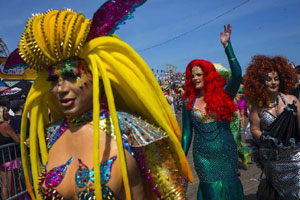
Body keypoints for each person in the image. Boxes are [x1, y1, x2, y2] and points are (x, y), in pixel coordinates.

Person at [13, 0, 192, 199]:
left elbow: (174, 195)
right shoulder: (48, 137)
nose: (61, 89)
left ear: (96, 76)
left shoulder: (135, 133)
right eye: (54, 80)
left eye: (72, 76)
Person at [181, 24, 244, 199]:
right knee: (210, 191)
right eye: (193, 75)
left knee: (230, 188)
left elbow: (237, 74)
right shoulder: (188, 102)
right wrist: (181, 158)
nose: (195, 78)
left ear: (207, 75)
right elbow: (186, 134)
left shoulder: (223, 95)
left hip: (226, 151)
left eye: (199, 74)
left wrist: (227, 46)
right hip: (203, 156)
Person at [243, 55, 300, 199]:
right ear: (261, 82)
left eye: (276, 78)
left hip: (295, 157)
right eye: (268, 79)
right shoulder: (257, 106)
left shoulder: (292, 100)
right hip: (274, 161)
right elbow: (254, 129)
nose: (273, 82)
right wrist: (264, 137)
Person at [0, 106, 21, 199]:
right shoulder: (5, 126)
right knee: (11, 184)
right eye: (5, 111)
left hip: (2, 159)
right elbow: (17, 140)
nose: (7, 113)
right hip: (10, 158)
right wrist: (21, 134)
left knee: (5, 184)